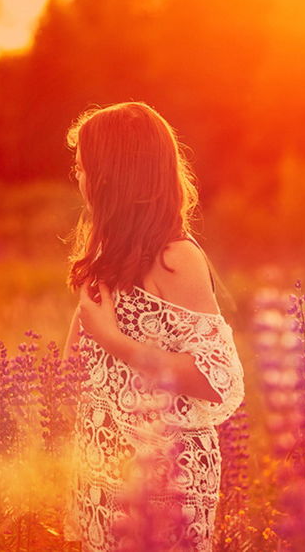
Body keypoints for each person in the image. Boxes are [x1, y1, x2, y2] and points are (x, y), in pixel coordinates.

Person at [60, 102, 245, 551]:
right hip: (102, 475)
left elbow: (215, 376)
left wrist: (113, 340)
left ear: (112, 177)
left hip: (166, 482)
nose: (78, 178)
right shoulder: (106, 262)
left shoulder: (176, 258)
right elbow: (69, 371)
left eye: (85, 168)